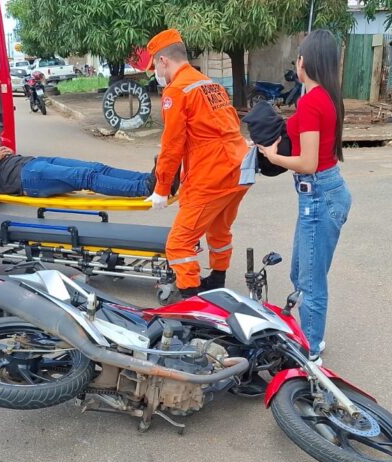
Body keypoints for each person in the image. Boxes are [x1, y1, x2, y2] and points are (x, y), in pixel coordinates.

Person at [258, 30, 351, 363]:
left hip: (318, 195)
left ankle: (310, 354)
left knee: (310, 282)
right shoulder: (324, 96)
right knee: (301, 272)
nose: (296, 63)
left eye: (298, 57)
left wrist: (274, 157)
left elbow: (308, 163)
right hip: (322, 193)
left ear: (304, 62)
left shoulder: (312, 101)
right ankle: (311, 338)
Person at [143, 29, 252, 298]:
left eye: (155, 66)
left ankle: (191, 301)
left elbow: (172, 146)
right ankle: (217, 280)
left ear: (163, 61)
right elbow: (229, 124)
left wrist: (161, 188)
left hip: (212, 175)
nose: (156, 74)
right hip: (239, 168)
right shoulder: (209, 84)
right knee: (219, 229)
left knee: (179, 243)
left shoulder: (177, 91)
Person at [0, 123, 160, 239]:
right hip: (27, 179)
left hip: (32, 163)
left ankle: (150, 178)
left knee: (95, 167)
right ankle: (144, 187)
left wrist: (0, 156)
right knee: (85, 177)